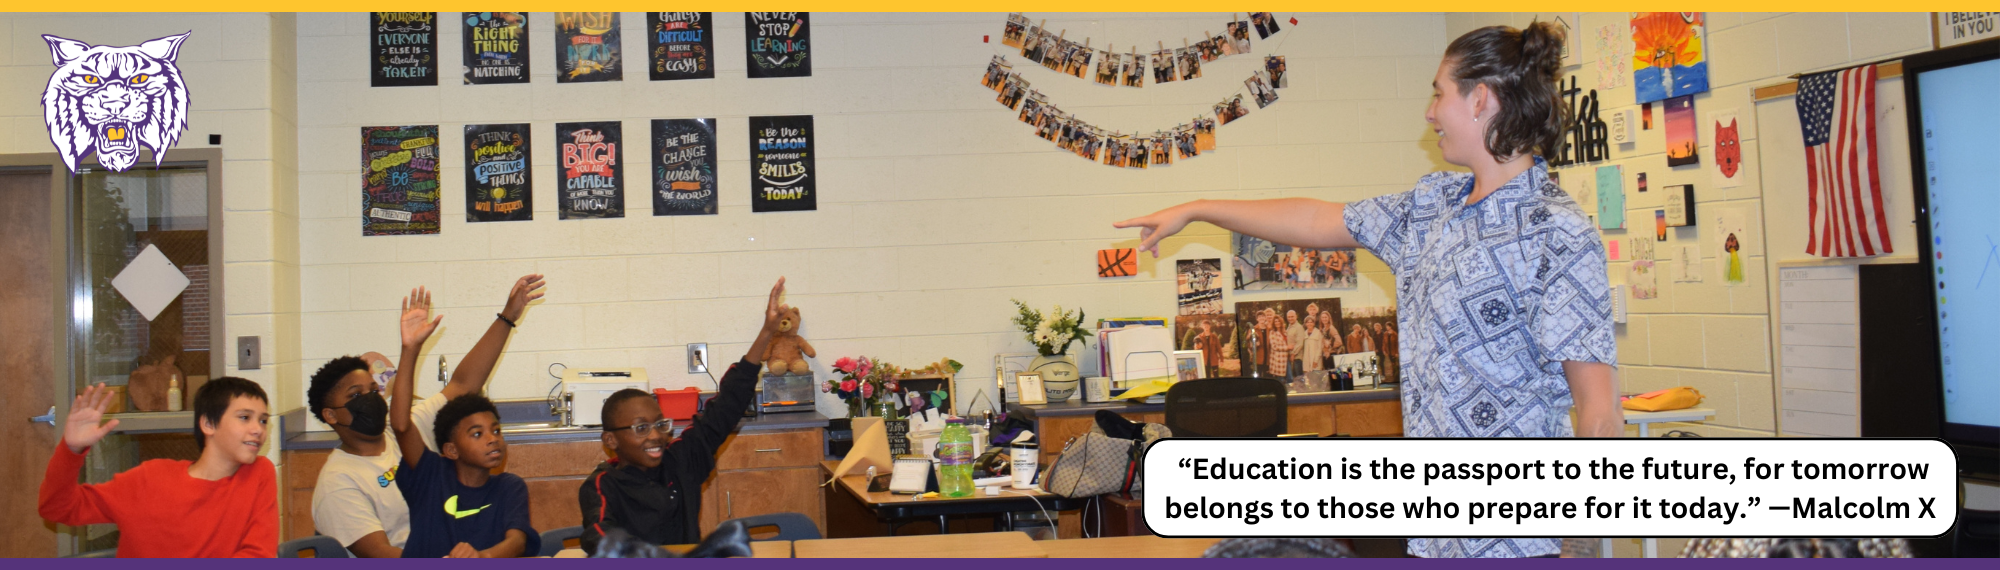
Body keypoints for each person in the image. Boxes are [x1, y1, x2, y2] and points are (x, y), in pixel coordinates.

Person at [1115, 21, 1619, 558]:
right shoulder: (1433, 209)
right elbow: (1314, 220)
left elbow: (1600, 412)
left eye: (1438, 92)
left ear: (1480, 99)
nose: (1429, 111)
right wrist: (1197, 209)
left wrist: (1582, 542)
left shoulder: (1556, 230)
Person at [308, 275, 545, 557]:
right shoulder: (338, 481)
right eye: (356, 395)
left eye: (374, 389)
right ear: (330, 415)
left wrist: (507, 317)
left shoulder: (409, 429)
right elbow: (381, 555)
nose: (371, 398)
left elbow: (463, 384)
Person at [579, 278, 790, 555]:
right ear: (611, 439)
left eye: (659, 424)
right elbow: (598, 536)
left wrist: (766, 333)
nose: (655, 435)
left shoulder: (681, 461)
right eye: (641, 428)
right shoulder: (603, 484)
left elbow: (726, 407)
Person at [39, 378, 277, 557]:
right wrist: (70, 450)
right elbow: (57, 508)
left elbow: (258, 555)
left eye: (263, 420)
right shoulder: (149, 479)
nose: (258, 429)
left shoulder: (259, 473)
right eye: (245, 417)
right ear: (208, 423)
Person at [390, 287, 540, 558]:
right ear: (451, 450)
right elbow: (401, 426)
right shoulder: (431, 475)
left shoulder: (509, 486)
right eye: (476, 433)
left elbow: (517, 542)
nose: (492, 438)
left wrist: (481, 557)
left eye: (496, 430)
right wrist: (410, 349)